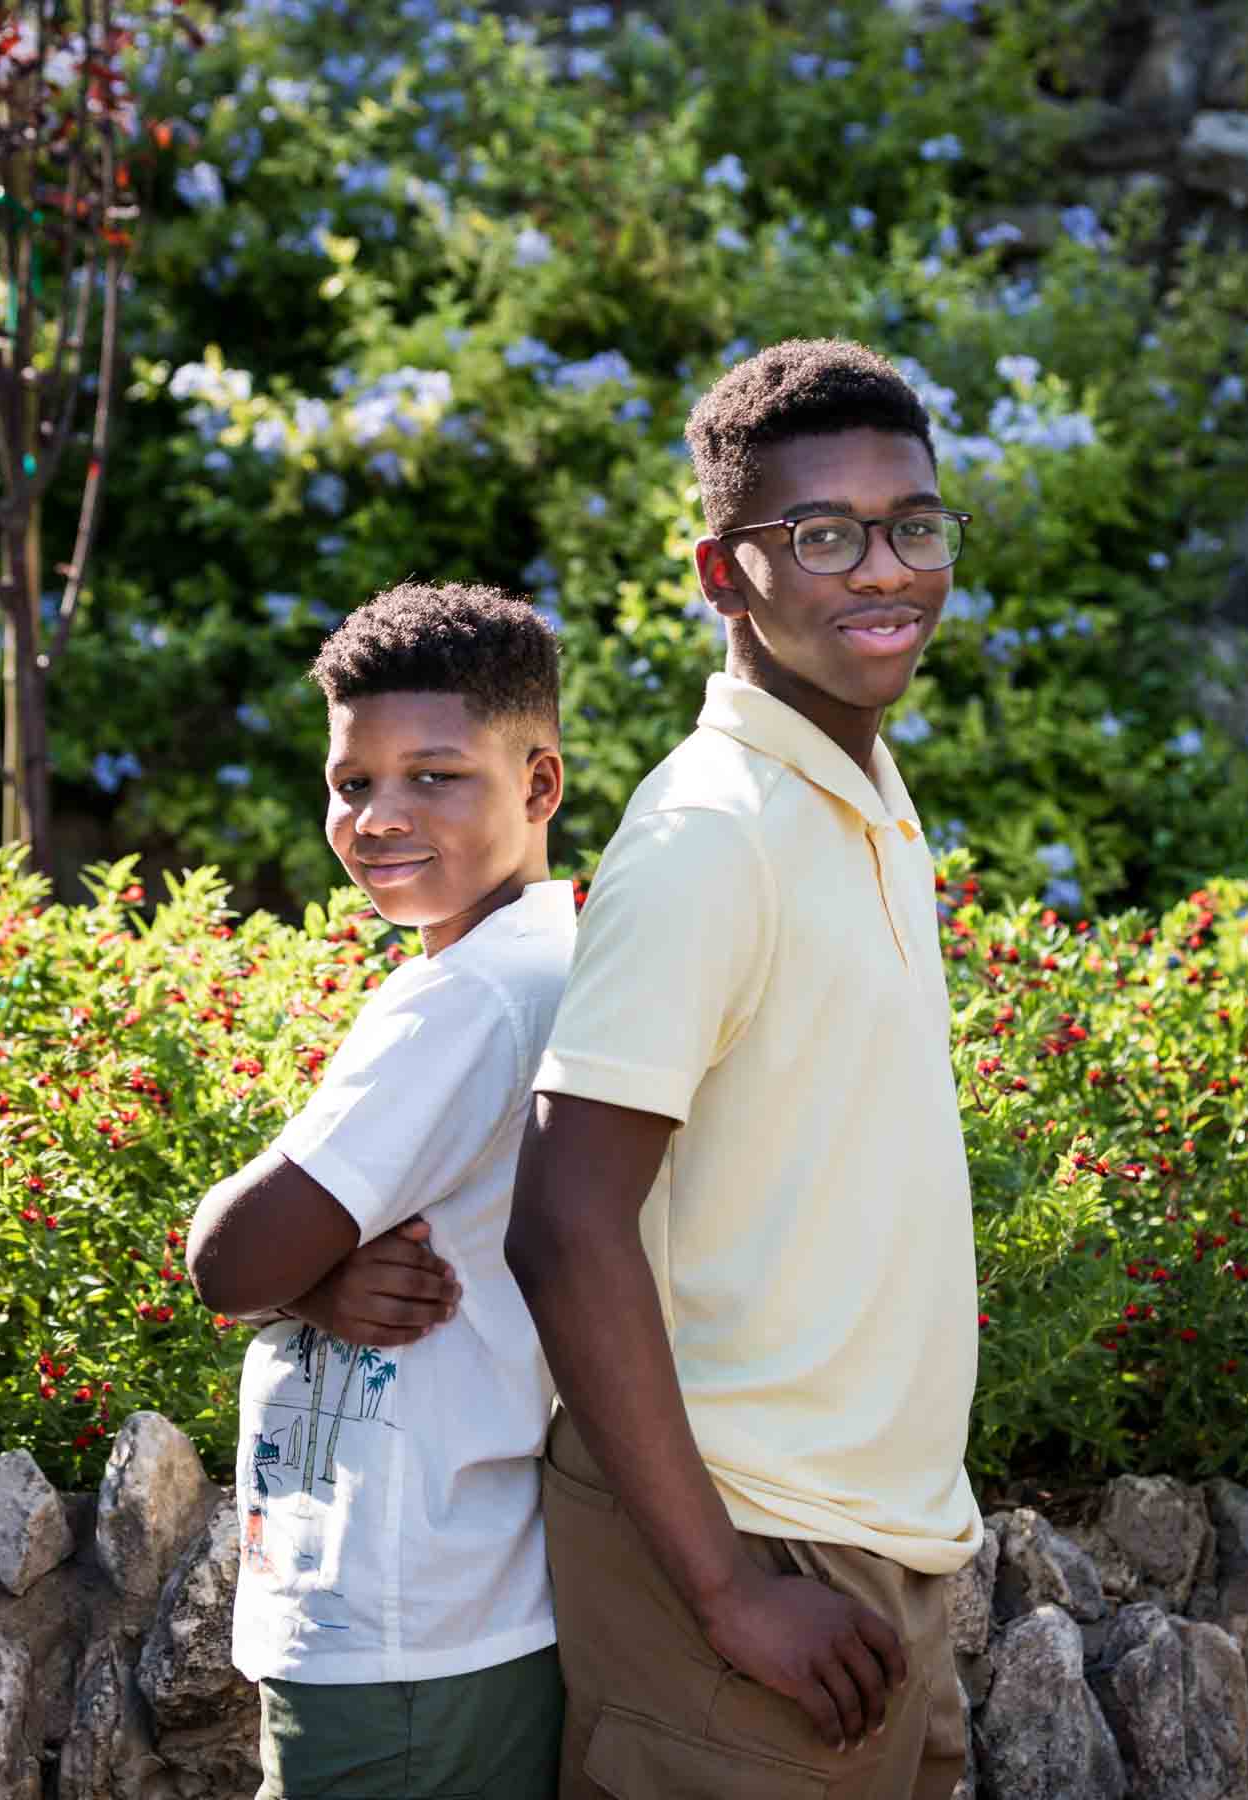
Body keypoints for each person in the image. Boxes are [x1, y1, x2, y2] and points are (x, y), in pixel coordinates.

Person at [506, 338, 983, 1800]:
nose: (884, 570)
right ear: (723, 576)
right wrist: (727, 1590)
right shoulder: (709, 828)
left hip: (868, 1552)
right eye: (821, 535)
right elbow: (563, 1222)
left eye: (910, 523)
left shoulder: (853, 788)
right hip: (737, 1564)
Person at [188, 581, 574, 1800]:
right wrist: (319, 1283)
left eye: (435, 775)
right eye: (353, 782)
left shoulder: (463, 1000)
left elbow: (227, 1263)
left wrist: (290, 1279)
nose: (378, 816)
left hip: (406, 1623)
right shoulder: (539, 955)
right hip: (457, 1606)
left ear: (538, 785)